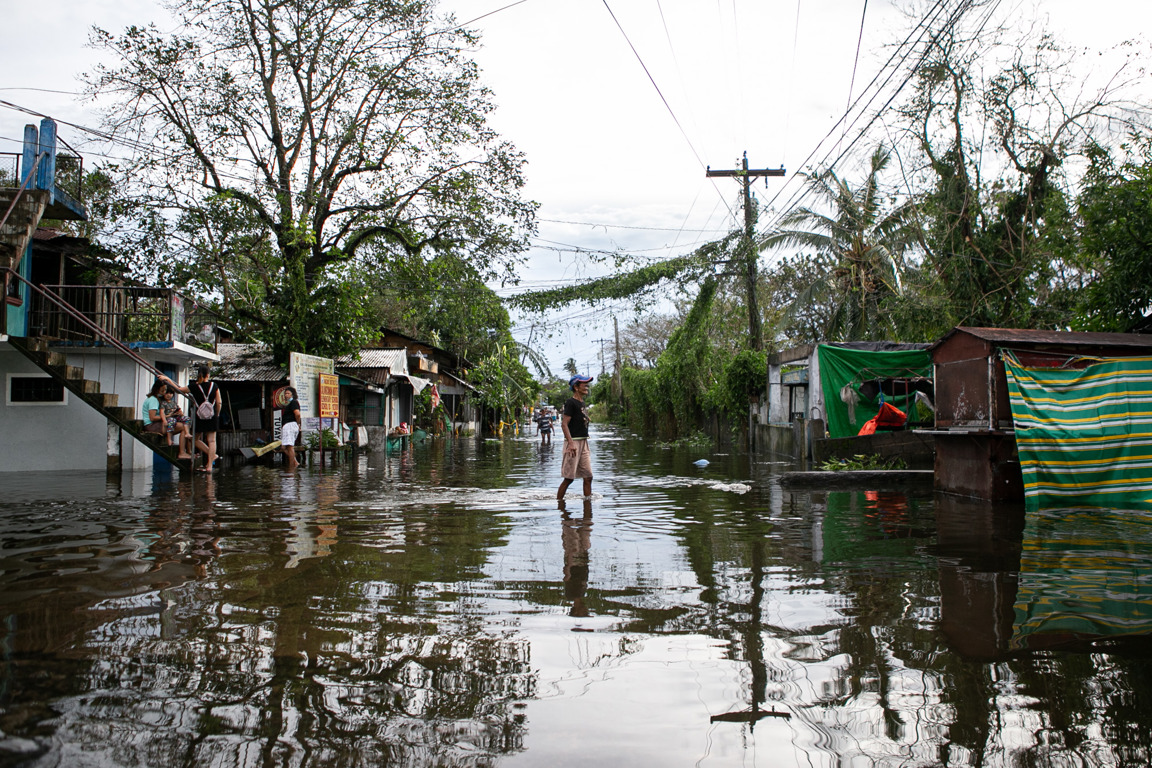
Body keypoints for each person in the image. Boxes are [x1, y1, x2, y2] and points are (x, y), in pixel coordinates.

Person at [160, 365, 221, 472]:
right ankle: (209, 466)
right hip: (212, 417)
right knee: (212, 440)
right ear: (208, 375)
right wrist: (217, 414)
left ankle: (212, 454)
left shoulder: (193, 386)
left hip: (200, 416)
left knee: (194, 439)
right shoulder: (214, 386)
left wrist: (168, 379)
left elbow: (178, 390)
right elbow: (219, 402)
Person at [557, 374, 594, 499]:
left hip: (584, 443)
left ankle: (588, 507)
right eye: (584, 385)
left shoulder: (581, 402)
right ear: (576, 387)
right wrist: (571, 443)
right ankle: (559, 504)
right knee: (569, 478)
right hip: (573, 444)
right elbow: (564, 424)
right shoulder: (570, 403)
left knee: (588, 476)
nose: (587, 387)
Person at [160, 389, 194, 460]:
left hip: (176, 416)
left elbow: (179, 411)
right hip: (169, 418)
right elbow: (162, 413)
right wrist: (164, 420)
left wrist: (180, 413)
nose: (169, 395)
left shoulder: (174, 403)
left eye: (171, 393)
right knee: (171, 421)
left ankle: (187, 433)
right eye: (167, 393)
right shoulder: (163, 403)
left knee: (187, 418)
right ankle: (169, 439)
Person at [280, 386, 302, 470]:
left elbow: (297, 414)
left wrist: (298, 423)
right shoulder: (290, 404)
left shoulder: (294, 402)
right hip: (288, 425)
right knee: (284, 447)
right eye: (285, 393)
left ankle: (291, 466)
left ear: (293, 395)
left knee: (289, 446)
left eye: (288, 393)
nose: (286, 395)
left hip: (290, 425)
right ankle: (295, 462)